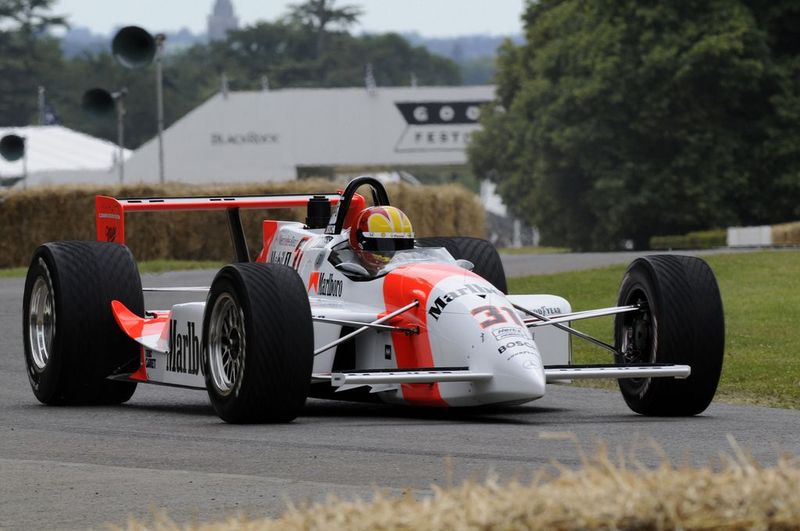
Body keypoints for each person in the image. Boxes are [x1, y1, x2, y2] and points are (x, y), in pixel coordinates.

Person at [348, 206, 415, 270]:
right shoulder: (345, 265)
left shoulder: (405, 259)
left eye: (399, 244)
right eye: (384, 244)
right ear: (360, 240)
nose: (390, 252)